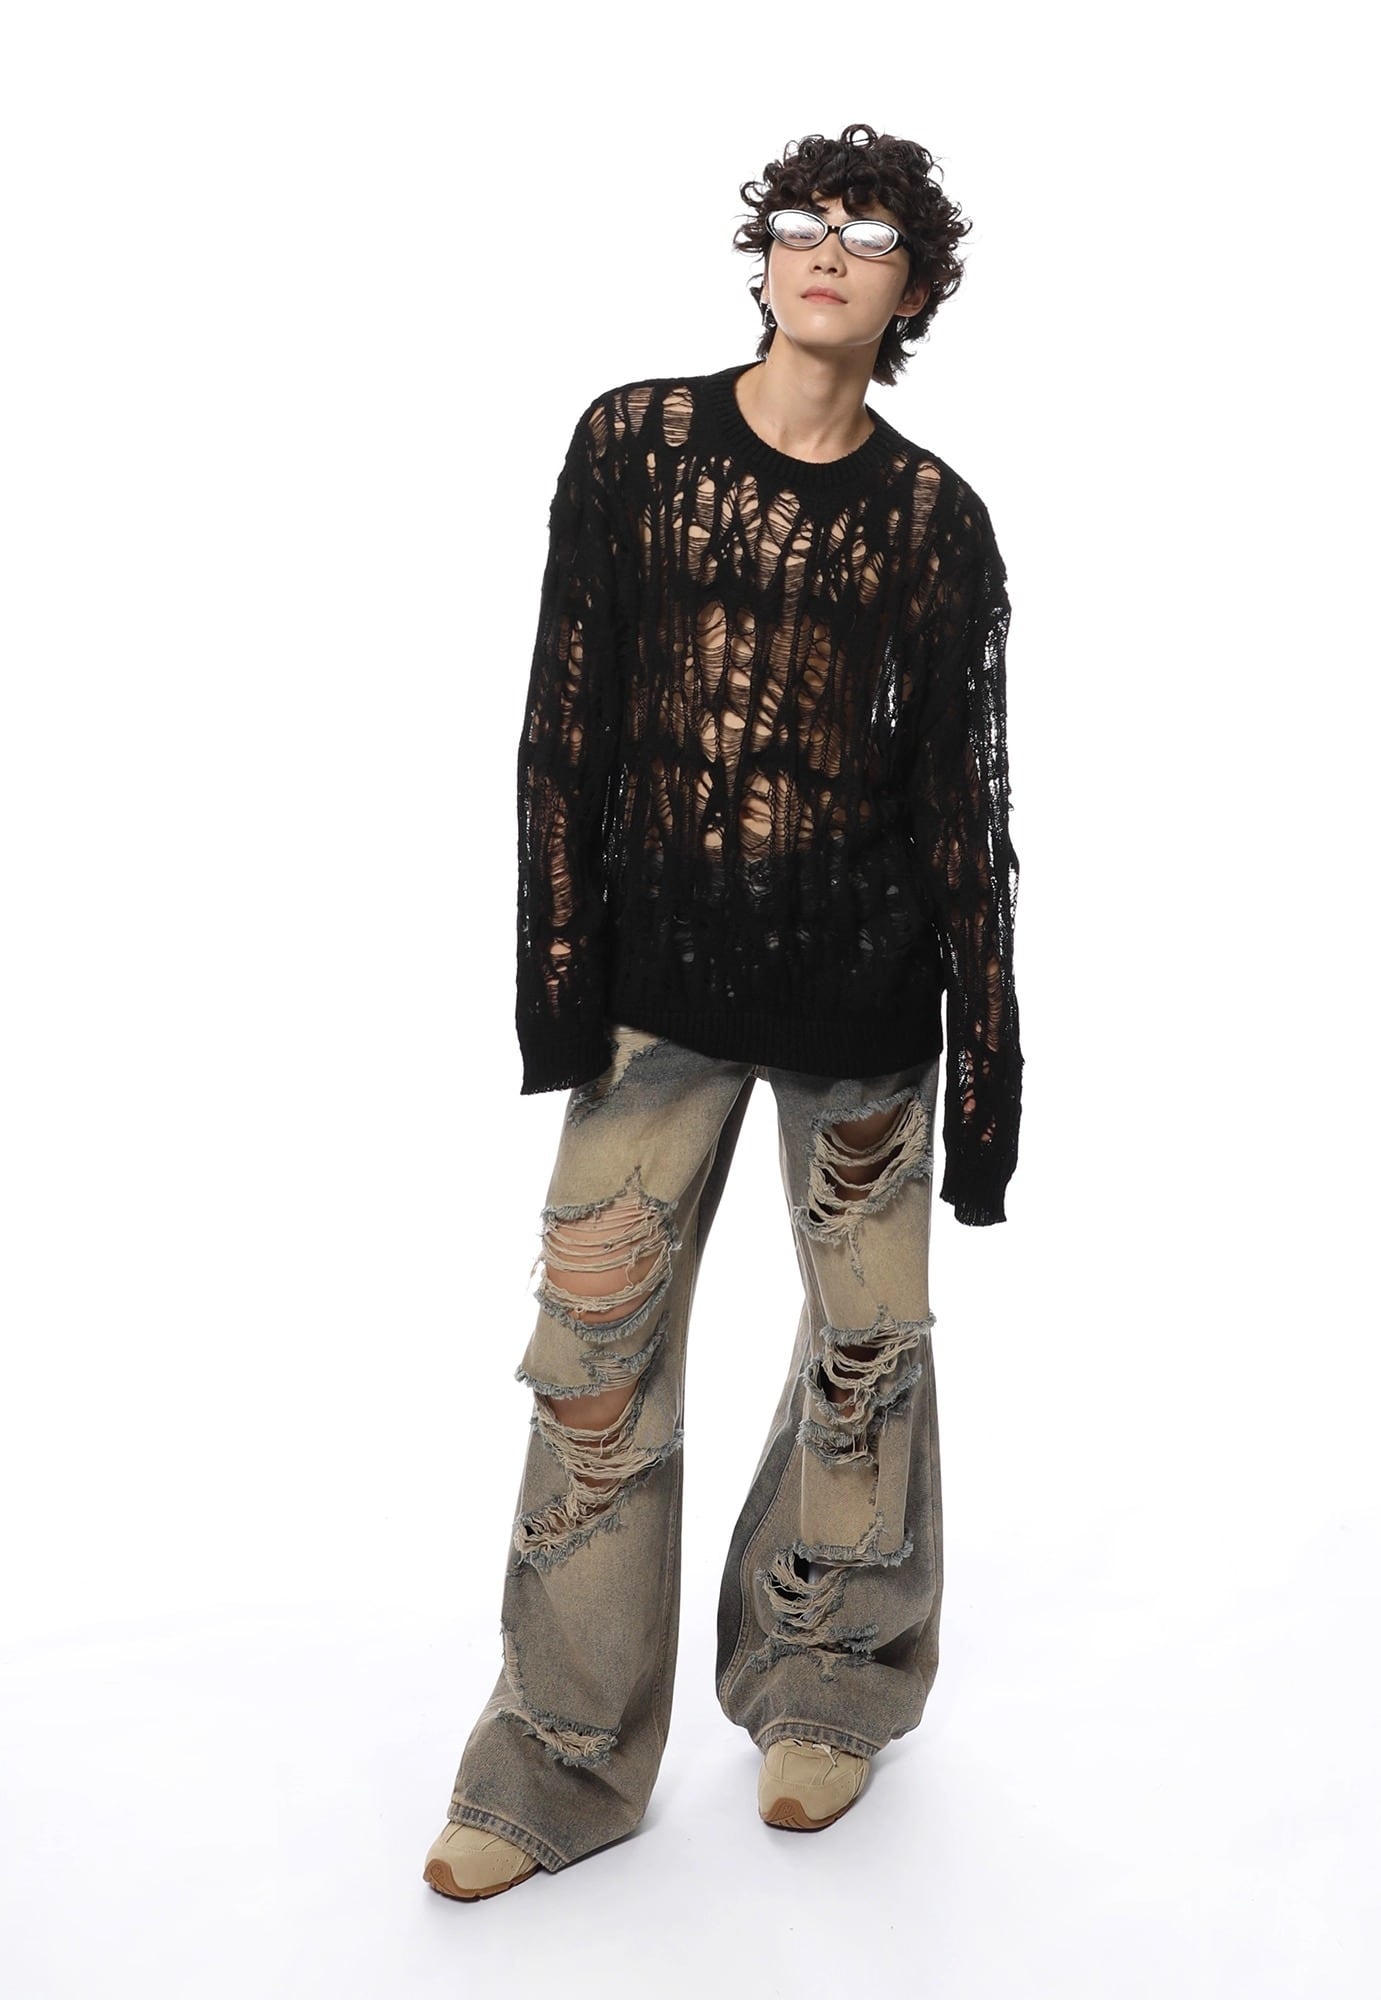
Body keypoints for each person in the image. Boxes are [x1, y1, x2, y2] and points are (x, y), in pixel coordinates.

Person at [423, 120, 1022, 1900]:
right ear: (764, 254)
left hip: (864, 1000)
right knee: (593, 1362)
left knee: (867, 1352)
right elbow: (565, 727)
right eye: (803, 220)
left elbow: (968, 807)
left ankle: (830, 1681)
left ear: (912, 293)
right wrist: (559, 991)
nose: (827, 248)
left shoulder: (938, 522)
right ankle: (559, 1758)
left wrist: (988, 1077)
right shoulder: (633, 446)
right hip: (658, 993)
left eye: (871, 234)